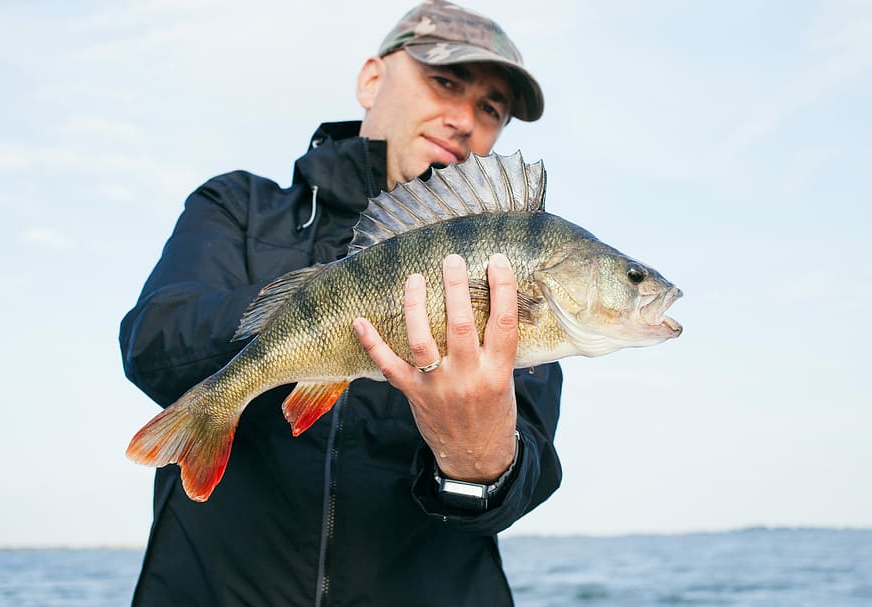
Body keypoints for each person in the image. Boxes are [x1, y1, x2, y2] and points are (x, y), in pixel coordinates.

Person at [119, 1, 563, 605]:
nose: (463, 118)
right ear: (372, 80)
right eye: (446, 81)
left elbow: (523, 474)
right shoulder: (237, 206)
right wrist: (323, 312)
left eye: (491, 109)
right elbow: (153, 343)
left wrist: (478, 464)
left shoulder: (504, 271)